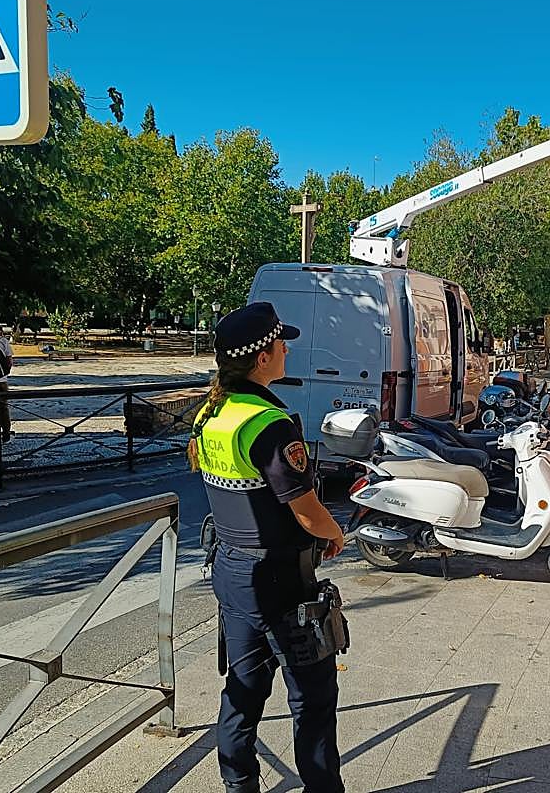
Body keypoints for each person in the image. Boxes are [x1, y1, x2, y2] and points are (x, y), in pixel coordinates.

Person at [188, 302, 347, 793]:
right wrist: (333, 533)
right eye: (281, 344)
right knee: (313, 700)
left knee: (243, 690)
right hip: (280, 581)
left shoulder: (212, 412)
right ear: (262, 359)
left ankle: (239, 786)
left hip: (233, 573)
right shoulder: (269, 424)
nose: (287, 350)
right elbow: (302, 506)